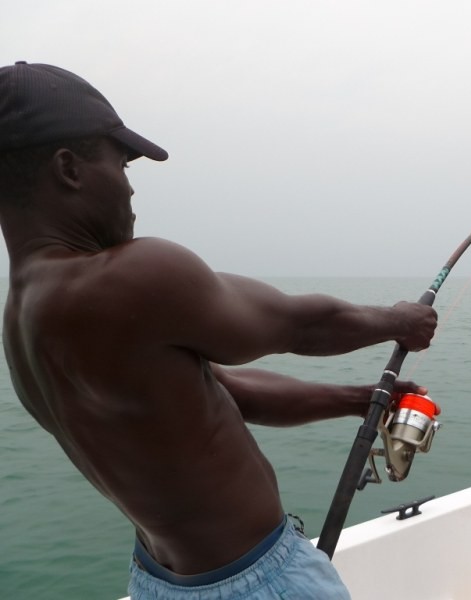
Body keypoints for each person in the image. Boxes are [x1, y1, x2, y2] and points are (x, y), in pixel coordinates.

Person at [0, 62, 437, 599]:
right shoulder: (131, 277)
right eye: (122, 164)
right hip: (258, 583)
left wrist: (357, 398)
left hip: (160, 581)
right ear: (68, 168)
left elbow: (221, 393)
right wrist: (400, 321)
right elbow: (299, 324)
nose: (131, 190)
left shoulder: (23, 319)